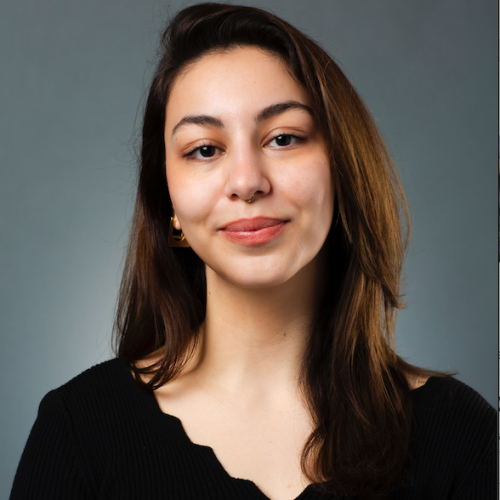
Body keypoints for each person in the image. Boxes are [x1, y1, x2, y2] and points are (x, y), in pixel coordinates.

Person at [10, 3, 495, 500]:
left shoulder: (464, 436)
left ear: (342, 169)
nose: (246, 182)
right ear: (169, 201)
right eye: (204, 149)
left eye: (283, 138)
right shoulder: (79, 431)